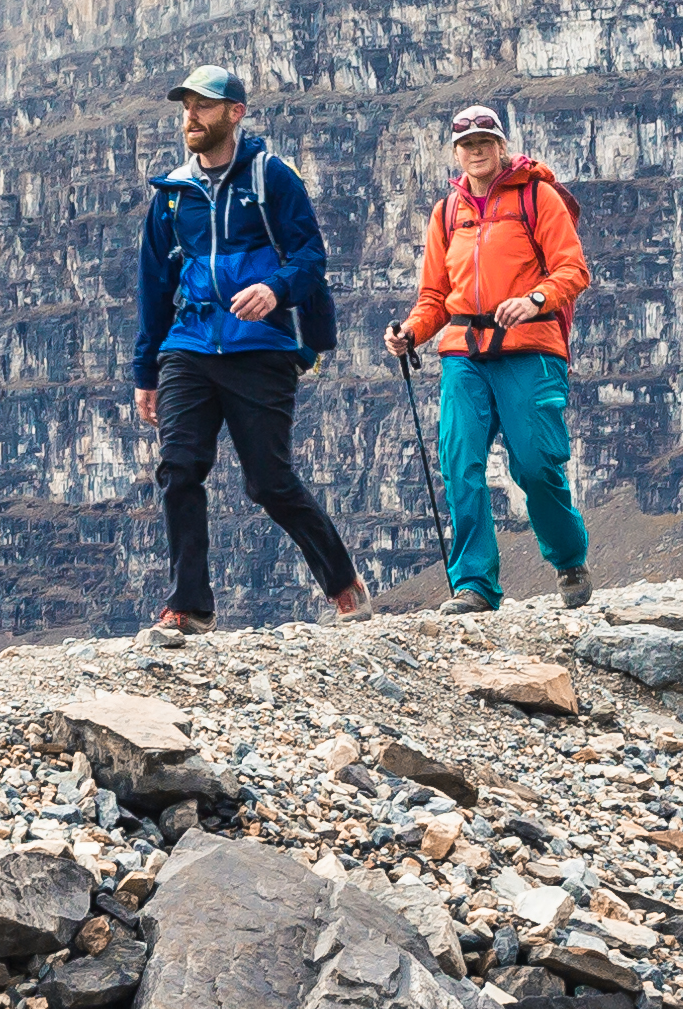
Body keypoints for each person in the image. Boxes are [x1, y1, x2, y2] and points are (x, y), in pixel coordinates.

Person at [127, 66, 368, 633]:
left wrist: (274, 290)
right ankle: (190, 605)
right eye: (186, 105)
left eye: (204, 106)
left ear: (234, 113)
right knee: (179, 469)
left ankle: (339, 576)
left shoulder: (272, 178)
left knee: (268, 481)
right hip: (188, 346)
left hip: (262, 347)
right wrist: (146, 371)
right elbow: (152, 288)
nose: (191, 116)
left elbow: (310, 257)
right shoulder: (170, 196)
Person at [386, 100, 594, 612]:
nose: (475, 151)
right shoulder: (446, 213)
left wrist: (534, 301)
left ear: (501, 146)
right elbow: (434, 297)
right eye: (466, 144)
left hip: (530, 348)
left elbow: (573, 271)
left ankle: (569, 557)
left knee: (535, 463)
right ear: (457, 153)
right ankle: (475, 585)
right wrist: (411, 333)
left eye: (484, 142)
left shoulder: (537, 198)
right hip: (463, 353)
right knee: (461, 463)